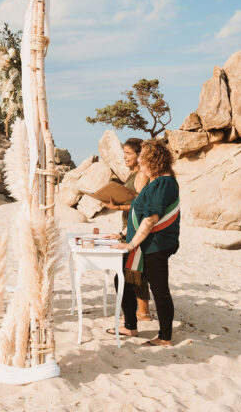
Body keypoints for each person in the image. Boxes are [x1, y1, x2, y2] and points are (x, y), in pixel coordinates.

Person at [110, 139, 180, 347]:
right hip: (145, 243)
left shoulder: (163, 183)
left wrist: (130, 245)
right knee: (122, 278)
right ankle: (130, 325)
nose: (139, 163)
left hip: (155, 245)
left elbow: (151, 219)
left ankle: (165, 337)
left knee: (160, 291)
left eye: (142, 159)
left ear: (153, 161)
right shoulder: (156, 182)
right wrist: (123, 234)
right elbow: (139, 215)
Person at [100, 138, 153, 321]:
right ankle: (140, 311)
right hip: (128, 226)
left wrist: (118, 208)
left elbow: (140, 205)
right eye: (124, 153)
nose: (125, 157)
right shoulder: (132, 174)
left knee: (134, 269)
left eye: (129, 153)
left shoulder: (141, 175)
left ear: (140, 156)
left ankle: (142, 312)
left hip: (137, 227)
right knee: (133, 268)